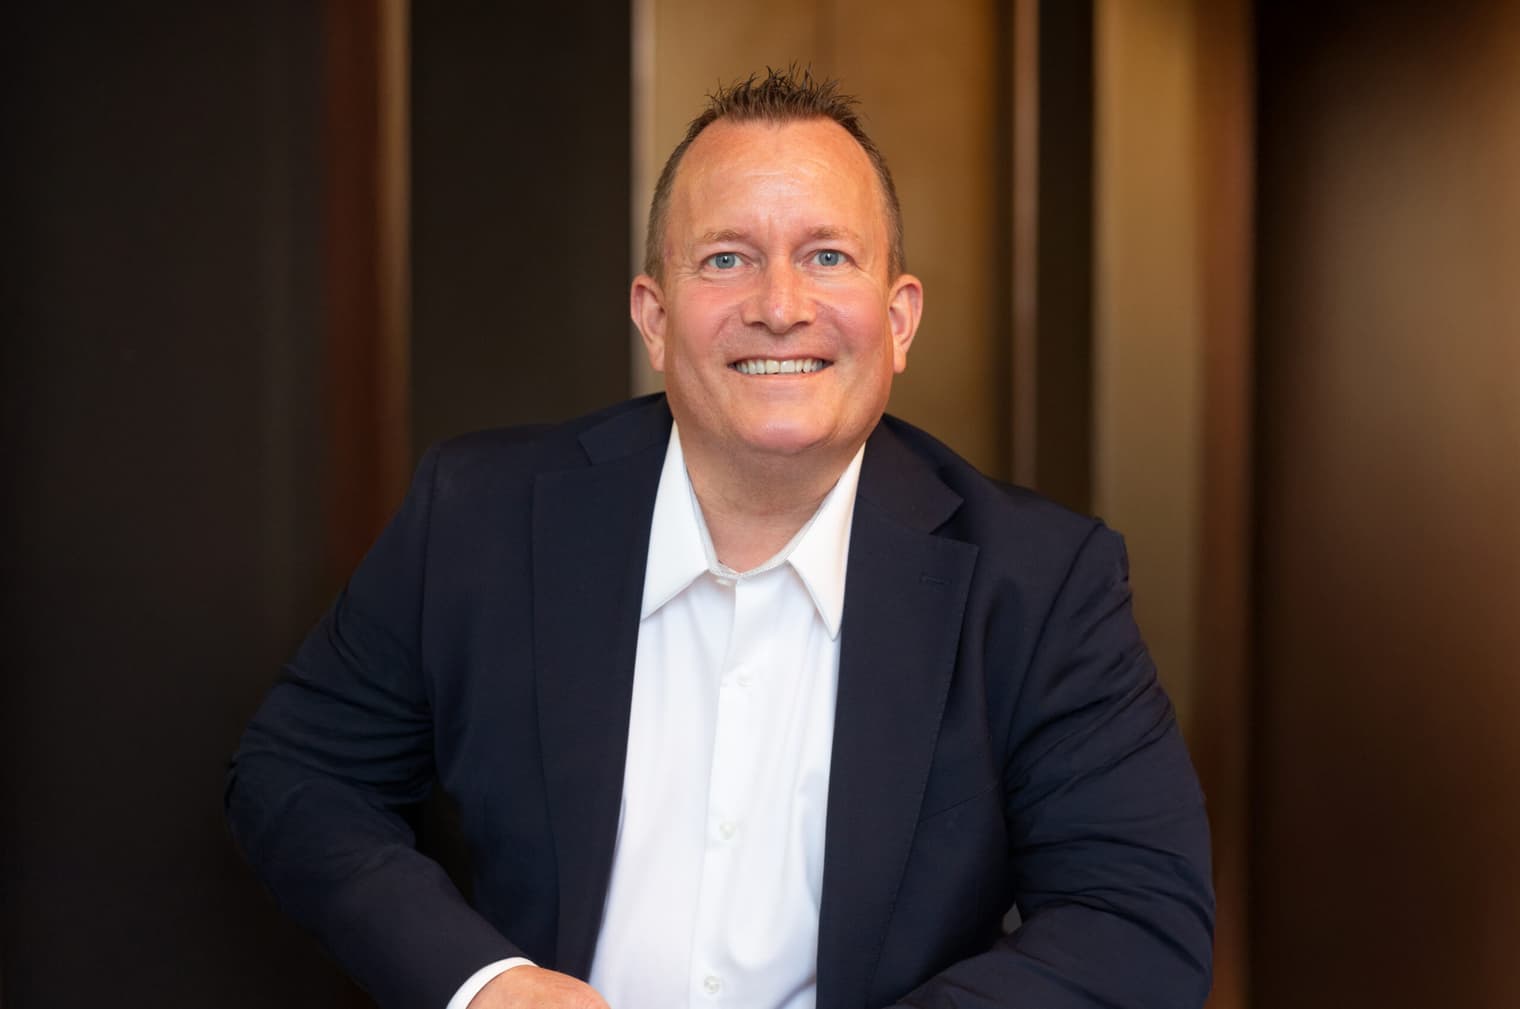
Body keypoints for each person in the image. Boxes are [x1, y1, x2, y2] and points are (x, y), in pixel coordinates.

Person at [227, 68, 1214, 1009]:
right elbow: (297, 770)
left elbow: (1135, 917)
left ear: (899, 319)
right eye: (726, 258)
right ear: (654, 318)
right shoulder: (480, 516)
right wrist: (483, 981)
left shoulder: (1042, 586)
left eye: (827, 257)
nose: (779, 307)